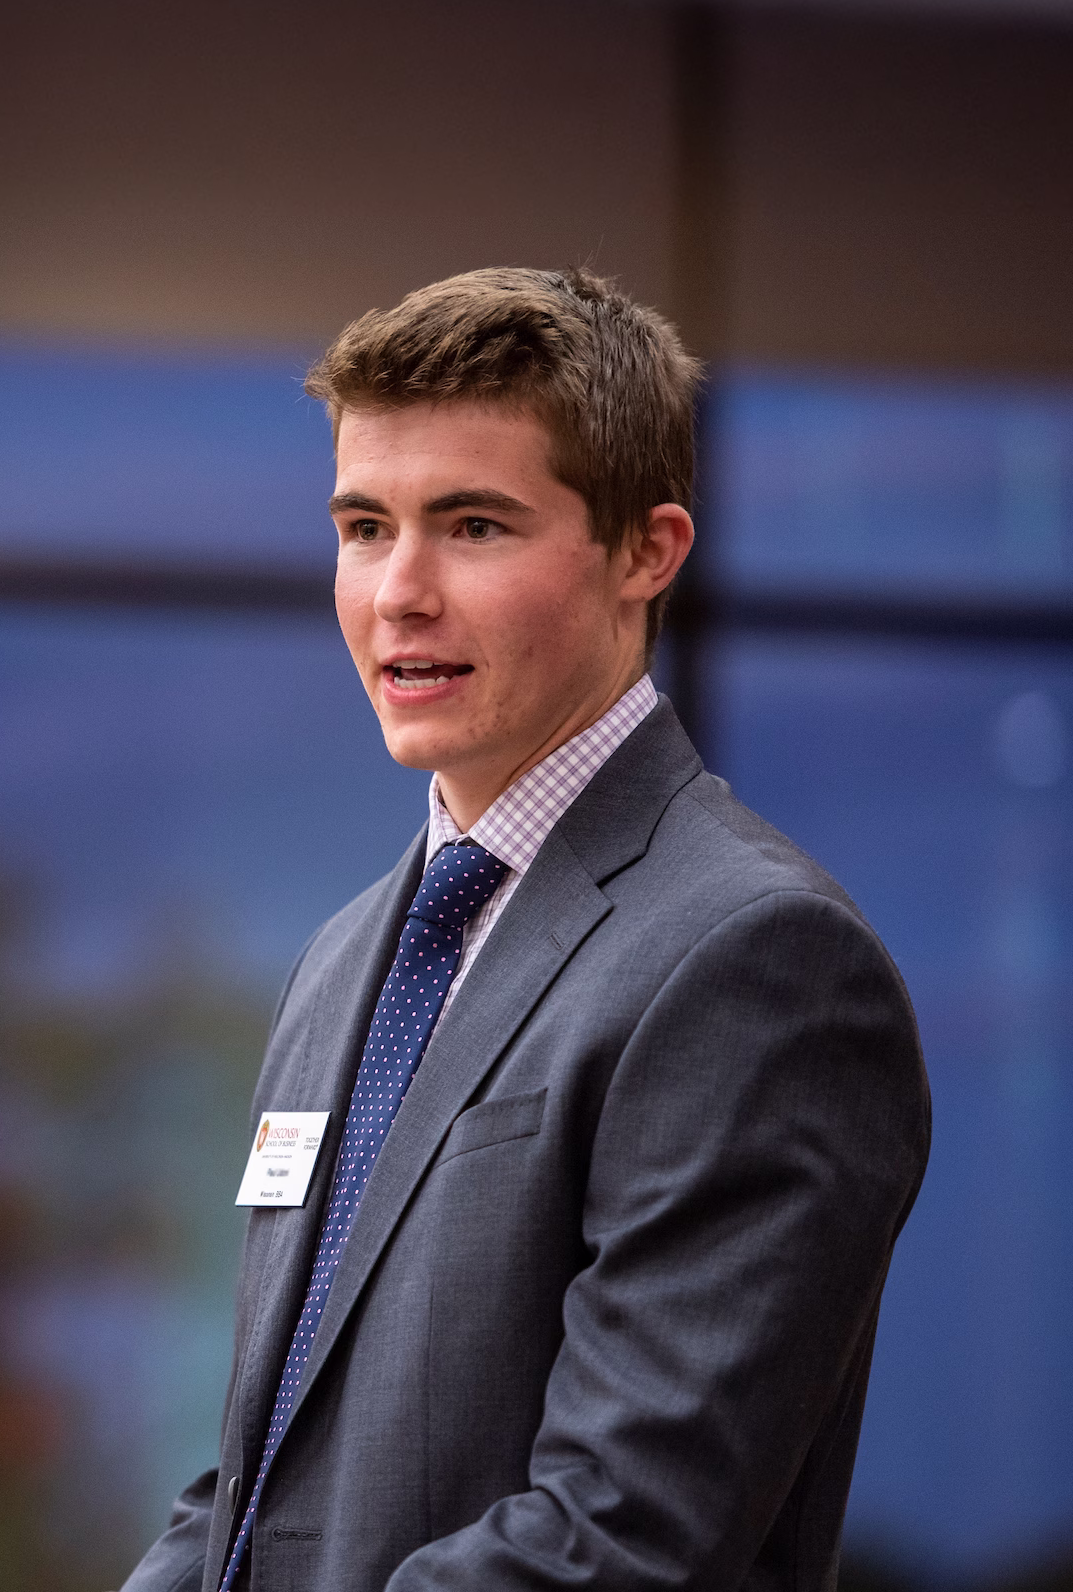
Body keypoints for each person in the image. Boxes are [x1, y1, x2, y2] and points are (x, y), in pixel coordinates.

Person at [120, 268, 932, 1592]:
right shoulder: (342, 963)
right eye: (365, 526)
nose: (399, 592)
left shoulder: (761, 964)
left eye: (476, 526)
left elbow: (624, 1535)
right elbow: (258, 1481)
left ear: (647, 551)